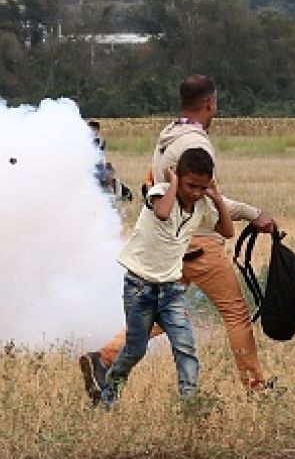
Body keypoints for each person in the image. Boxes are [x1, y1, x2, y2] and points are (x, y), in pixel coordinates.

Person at [81, 75, 279, 399]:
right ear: (210, 103)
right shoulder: (196, 145)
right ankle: (256, 388)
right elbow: (206, 202)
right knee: (236, 314)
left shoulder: (168, 137)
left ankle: (104, 359)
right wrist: (252, 213)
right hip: (198, 241)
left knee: (162, 314)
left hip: (172, 243)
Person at [100, 148, 233, 405]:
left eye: (202, 188)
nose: (196, 193)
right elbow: (162, 213)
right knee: (135, 349)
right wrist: (172, 182)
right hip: (139, 287)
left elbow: (227, 231)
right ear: (178, 177)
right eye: (191, 185)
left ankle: (189, 402)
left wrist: (216, 198)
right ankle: (109, 390)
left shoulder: (202, 206)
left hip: (171, 289)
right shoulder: (160, 192)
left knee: (185, 347)